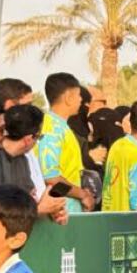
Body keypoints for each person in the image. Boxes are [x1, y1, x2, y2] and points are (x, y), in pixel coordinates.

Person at [0, 104, 69, 224]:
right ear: (28, 139)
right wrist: (39, 210)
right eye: (39, 137)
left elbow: (28, 201)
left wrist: (51, 210)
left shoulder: (23, 159)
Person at [36, 73, 95, 212]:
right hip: (60, 213)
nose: (81, 100)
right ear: (68, 97)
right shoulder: (52, 129)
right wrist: (82, 194)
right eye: (79, 95)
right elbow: (51, 178)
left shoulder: (61, 127)